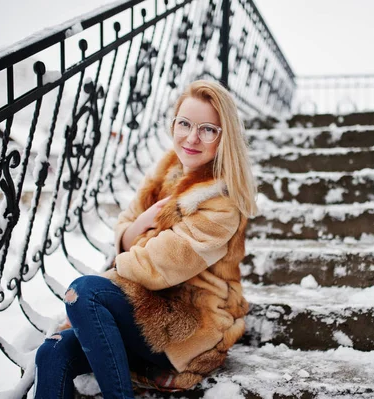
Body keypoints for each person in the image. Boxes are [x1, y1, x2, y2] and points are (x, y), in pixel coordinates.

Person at [34, 79, 258, 398]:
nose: (192, 137)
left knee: (86, 292)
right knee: (52, 352)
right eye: (184, 124)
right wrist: (138, 225)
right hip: (143, 313)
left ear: (225, 138)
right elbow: (125, 223)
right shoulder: (169, 170)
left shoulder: (222, 202)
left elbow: (154, 268)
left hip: (189, 326)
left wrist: (128, 241)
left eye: (208, 129)